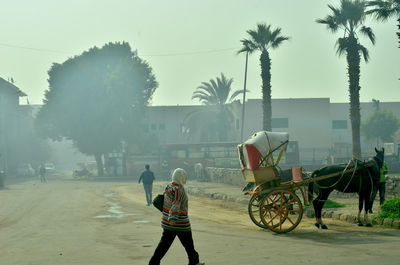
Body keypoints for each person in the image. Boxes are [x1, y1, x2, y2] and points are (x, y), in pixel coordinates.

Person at [149, 168, 204, 265]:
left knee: (164, 245)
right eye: (184, 176)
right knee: (188, 245)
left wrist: (170, 219)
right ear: (180, 177)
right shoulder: (179, 189)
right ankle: (194, 262)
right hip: (180, 223)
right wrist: (173, 218)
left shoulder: (169, 186)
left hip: (167, 223)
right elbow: (176, 204)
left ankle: (153, 263)